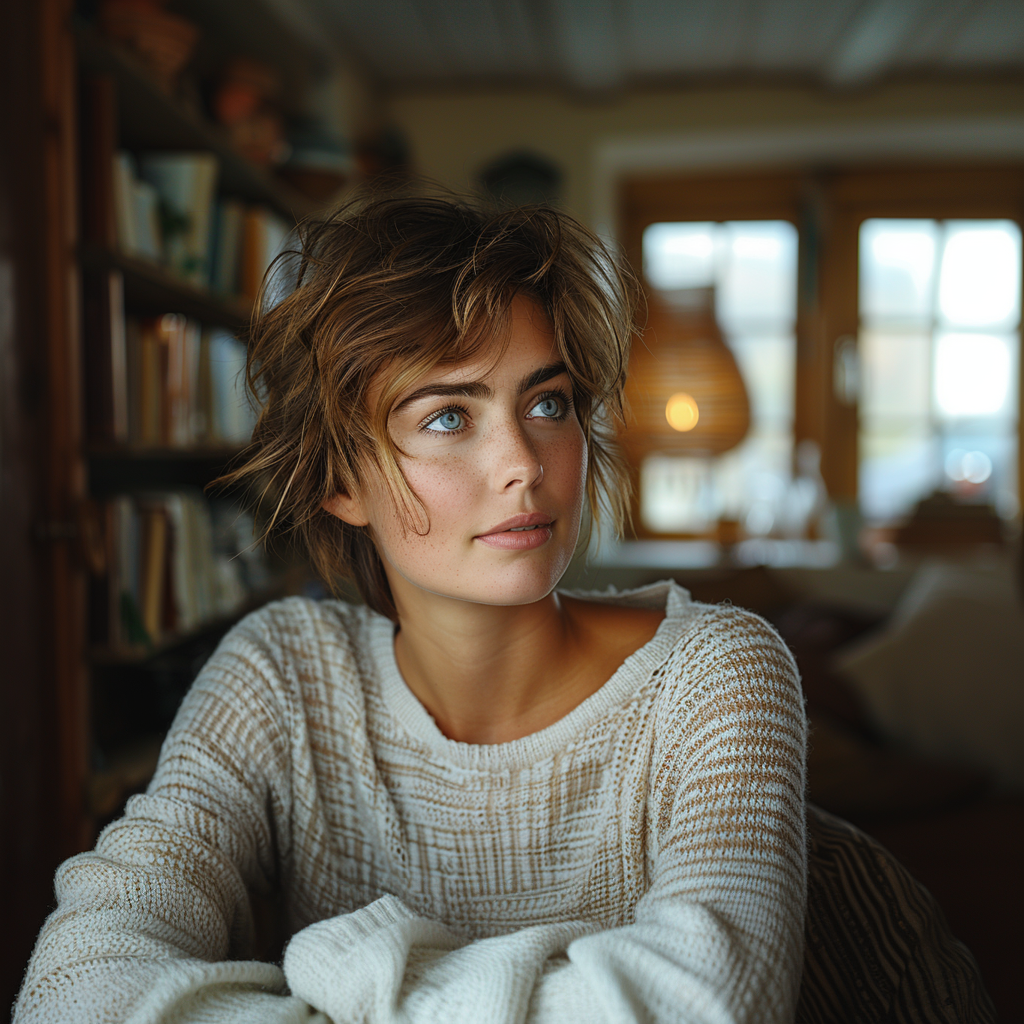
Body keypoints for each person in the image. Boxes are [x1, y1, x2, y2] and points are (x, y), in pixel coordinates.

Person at [14, 189, 807, 1023]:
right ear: (339, 481)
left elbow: (714, 1004)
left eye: (547, 403)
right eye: (449, 416)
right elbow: (75, 988)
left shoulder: (714, 673)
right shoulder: (282, 676)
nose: (522, 465)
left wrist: (345, 976)